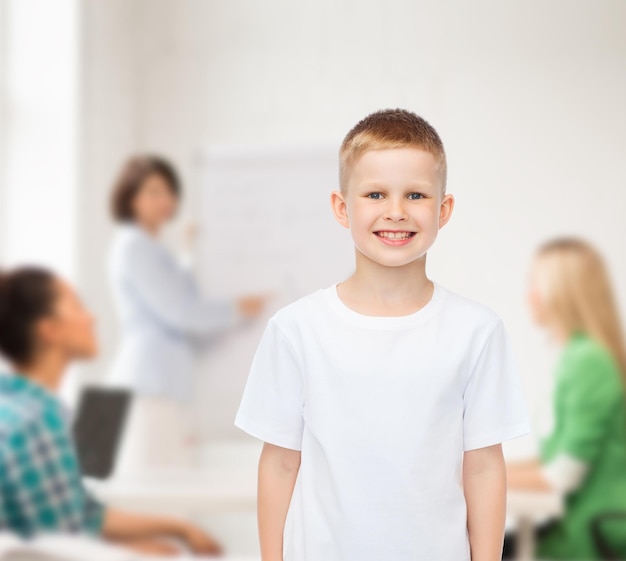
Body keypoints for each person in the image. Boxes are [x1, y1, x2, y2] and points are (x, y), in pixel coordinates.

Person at [234, 109, 531, 561]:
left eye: (415, 194)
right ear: (342, 207)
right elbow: (278, 462)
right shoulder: (297, 330)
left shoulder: (476, 331)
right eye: (375, 194)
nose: (396, 212)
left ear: (443, 209)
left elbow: (485, 467)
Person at [0, 266, 222, 556]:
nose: (92, 317)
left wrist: (176, 527)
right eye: (76, 306)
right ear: (49, 330)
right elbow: (62, 547)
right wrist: (136, 553)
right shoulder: (39, 420)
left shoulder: (17, 402)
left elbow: (82, 514)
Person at [108, 155, 266, 471]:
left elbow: (176, 294)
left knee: (159, 490)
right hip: (146, 388)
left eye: (169, 191)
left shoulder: (148, 247)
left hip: (152, 387)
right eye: (153, 191)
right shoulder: (134, 246)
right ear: (131, 197)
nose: (165, 200)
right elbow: (181, 311)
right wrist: (238, 308)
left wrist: (189, 251)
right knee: (154, 495)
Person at [504, 238, 626, 559]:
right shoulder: (578, 356)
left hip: (591, 536)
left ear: (562, 292)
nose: (528, 296)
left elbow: (561, 476)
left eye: (535, 283)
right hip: (573, 530)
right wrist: (476, 470)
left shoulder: (588, 362)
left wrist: (472, 478)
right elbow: (553, 459)